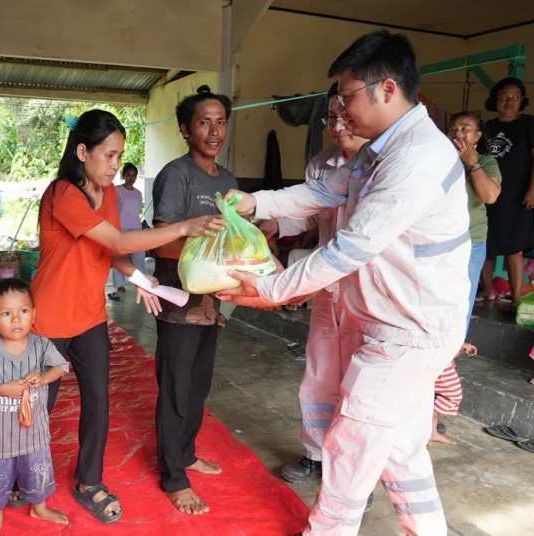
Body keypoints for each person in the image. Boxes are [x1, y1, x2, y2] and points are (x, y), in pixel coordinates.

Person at [220, 31, 470, 535]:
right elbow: (323, 191)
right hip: (394, 321)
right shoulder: (381, 150)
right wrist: (256, 202)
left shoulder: (416, 157)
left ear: (387, 89)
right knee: (400, 448)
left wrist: (271, 289)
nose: (341, 111)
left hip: (408, 331)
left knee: (351, 443)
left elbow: (349, 248)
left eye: (347, 96)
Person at [32, 109, 223, 524]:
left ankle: (88, 482)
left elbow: (112, 251)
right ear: (82, 152)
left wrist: (141, 279)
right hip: (48, 318)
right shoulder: (63, 194)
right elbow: (119, 239)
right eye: (109, 155)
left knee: (98, 402)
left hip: (89, 316)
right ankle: (25, 480)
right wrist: (183, 227)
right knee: (37, 405)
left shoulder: (109, 195)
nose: (116, 165)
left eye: (120, 156)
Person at [264, 84, 369, 486]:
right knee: (319, 372)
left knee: (360, 383)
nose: (338, 126)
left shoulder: (382, 164)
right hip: (328, 288)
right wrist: (272, 223)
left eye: (346, 117)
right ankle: (315, 455)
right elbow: (308, 213)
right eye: (331, 118)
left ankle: (353, 472)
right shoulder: (322, 164)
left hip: (369, 292)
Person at [150, 85, 237, 515]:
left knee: (198, 386)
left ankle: (184, 454)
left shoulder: (229, 182)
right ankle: (173, 477)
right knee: (176, 390)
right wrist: (208, 245)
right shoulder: (176, 175)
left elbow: (236, 236)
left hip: (212, 304)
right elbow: (161, 243)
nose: (214, 131)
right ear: (186, 129)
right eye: (204, 122)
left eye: (220, 122)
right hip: (178, 303)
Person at [0, 279, 70, 536]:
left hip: (34, 433)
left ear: (33, 314)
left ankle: (40, 508)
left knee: (37, 472)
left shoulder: (41, 345)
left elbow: (61, 367)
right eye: (6, 314)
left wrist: (43, 377)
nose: (16, 319)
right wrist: (1, 389)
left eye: (23, 311)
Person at [431, 112, 501, 444]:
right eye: (453, 127)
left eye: (465, 128)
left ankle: (436, 407)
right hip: (436, 241)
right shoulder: (436, 157)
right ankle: (426, 404)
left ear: (478, 136)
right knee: (432, 309)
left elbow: (490, 196)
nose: (458, 132)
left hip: (470, 241)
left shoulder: (485, 161)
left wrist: (470, 161)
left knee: (457, 312)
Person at [480, 77, 534, 306]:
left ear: (522, 101)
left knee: (514, 247)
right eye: (503, 97)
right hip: (487, 193)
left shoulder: (528, 124)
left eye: (515, 97)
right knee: (485, 244)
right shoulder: (486, 127)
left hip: (517, 195)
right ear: (495, 101)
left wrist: (532, 190)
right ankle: (488, 291)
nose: (509, 102)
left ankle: (517, 297)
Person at [107, 163, 146, 300]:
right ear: (123, 176)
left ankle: (142, 282)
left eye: (134, 175)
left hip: (136, 228)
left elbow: (137, 211)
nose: (131, 178)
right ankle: (119, 284)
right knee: (120, 257)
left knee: (139, 257)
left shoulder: (138, 193)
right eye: (128, 175)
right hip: (121, 228)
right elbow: (111, 208)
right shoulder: (117, 190)